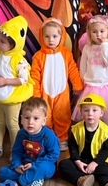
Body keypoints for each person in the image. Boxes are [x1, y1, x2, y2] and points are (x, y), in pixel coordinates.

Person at [0, 15, 33, 164]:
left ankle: (15, 150)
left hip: (11, 100)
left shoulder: (19, 60)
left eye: (2, 42)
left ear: (14, 44)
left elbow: (23, 80)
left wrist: (6, 81)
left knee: (12, 125)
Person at [58, 94, 108, 186]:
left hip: (98, 160)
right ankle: (81, 180)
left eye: (94, 110)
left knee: (104, 168)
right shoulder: (75, 129)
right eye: (86, 110)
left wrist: (95, 163)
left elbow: (106, 150)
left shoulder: (107, 131)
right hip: (81, 160)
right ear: (81, 112)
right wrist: (77, 162)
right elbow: (73, 146)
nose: (90, 114)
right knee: (63, 165)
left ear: (101, 113)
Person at [30, 17, 84, 151]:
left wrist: (77, 85)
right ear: (42, 37)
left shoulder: (66, 53)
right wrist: (36, 95)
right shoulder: (38, 56)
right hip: (44, 93)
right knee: (45, 116)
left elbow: (73, 70)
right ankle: (46, 139)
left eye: (54, 36)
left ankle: (62, 139)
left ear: (61, 36)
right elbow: (34, 77)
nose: (51, 40)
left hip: (62, 92)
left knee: (63, 115)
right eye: (47, 36)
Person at [0, 97, 60, 186]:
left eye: (35, 118)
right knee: (3, 172)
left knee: (42, 168)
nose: (30, 122)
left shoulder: (48, 135)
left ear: (44, 121)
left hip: (44, 165)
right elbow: (17, 152)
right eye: (27, 118)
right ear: (21, 119)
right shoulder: (21, 133)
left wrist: (33, 165)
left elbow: (54, 155)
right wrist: (17, 166)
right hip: (25, 165)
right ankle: (33, 182)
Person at [72, 14, 108, 127]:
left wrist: (104, 45)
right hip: (91, 85)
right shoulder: (87, 48)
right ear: (90, 33)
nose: (98, 34)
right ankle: (92, 131)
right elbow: (83, 66)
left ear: (107, 32)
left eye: (102, 31)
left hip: (107, 85)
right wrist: (83, 79)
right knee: (91, 113)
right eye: (94, 32)